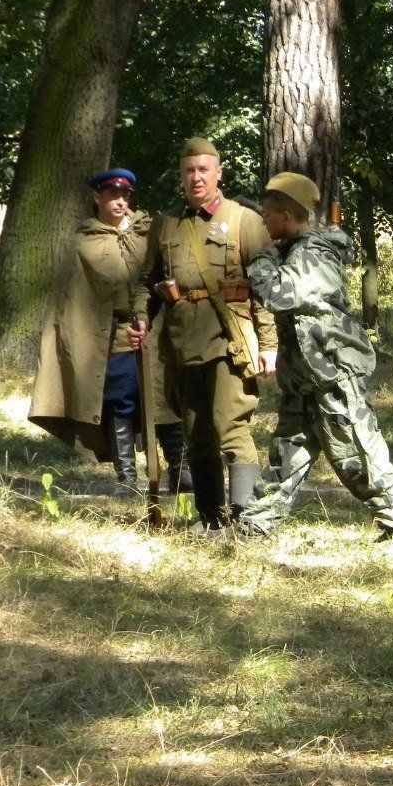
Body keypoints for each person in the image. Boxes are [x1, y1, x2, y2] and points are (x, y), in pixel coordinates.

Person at [223, 172, 393, 541]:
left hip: (332, 370)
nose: (264, 223)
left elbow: (281, 295)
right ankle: (256, 523)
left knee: (355, 451)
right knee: (288, 451)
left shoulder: (314, 253)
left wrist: (261, 257)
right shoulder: (294, 250)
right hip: (305, 374)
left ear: (286, 216)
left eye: (268, 215)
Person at [130, 139, 277, 531]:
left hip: (230, 341)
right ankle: (211, 517)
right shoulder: (166, 225)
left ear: (218, 174)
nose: (196, 178)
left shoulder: (244, 221)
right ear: (182, 176)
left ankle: (245, 518)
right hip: (182, 343)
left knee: (231, 427)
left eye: (203, 170)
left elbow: (264, 288)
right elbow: (147, 282)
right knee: (196, 433)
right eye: (189, 171)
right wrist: (141, 317)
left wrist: (269, 345)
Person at [30, 168, 189, 495]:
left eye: (125, 196)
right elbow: (72, 298)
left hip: (155, 327)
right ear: (97, 197)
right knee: (120, 400)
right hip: (113, 334)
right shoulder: (84, 241)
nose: (120, 202)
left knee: (165, 396)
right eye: (113, 195)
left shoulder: (148, 232)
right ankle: (126, 477)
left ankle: (180, 469)